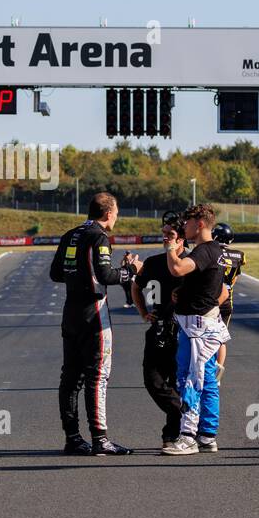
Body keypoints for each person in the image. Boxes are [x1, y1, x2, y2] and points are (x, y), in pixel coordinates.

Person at [50, 192, 141, 455]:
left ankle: (73, 438)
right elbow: (105, 275)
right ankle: (100, 439)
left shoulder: (71, 234)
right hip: (93, 313)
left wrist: (77, 275)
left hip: (71, 312)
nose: (117, 216)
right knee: (97, 377)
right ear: (108, 213)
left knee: (70, 379)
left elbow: (56, 273)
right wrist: (130, 271)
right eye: (117, 212)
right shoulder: (99, 236)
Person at [161, 205, 230, 456]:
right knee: (208, 381)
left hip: (198, 327)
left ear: (200, 223)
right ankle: (208, 435)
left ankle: (188, 436)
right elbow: (219, 289)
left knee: (191, 380)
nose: (184, 227)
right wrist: (186, 292)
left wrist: (170, 248)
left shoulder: (205, 251)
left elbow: (177, 268)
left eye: (188, 222)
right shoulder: (216, 251)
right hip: (204, 322)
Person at [132, 217, 186, 448]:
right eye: (163, 232)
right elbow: (136, 286)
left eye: (170, 234)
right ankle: (185, 410)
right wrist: (144, 312)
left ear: (181, 239)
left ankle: (171, 435)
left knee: (176, 383)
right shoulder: (153, 262)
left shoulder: (190, 262)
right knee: (152, 381)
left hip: (184, 332)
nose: (164, 237)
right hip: (158, 329)